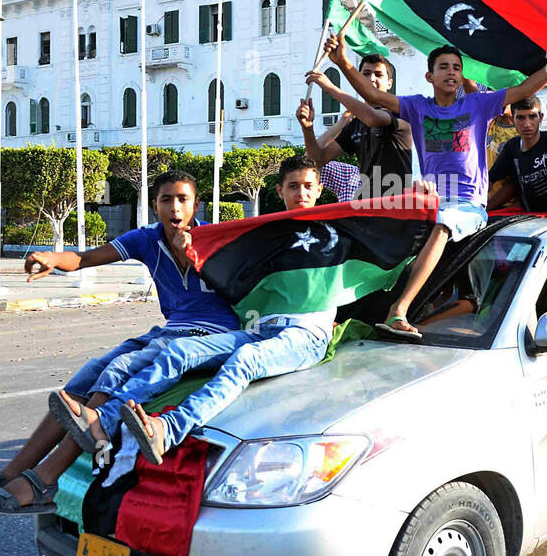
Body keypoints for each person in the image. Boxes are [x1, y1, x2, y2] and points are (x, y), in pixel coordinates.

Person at [0, 171, 239, 513]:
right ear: (155, 205)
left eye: (183, 199)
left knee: (123, 366)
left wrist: (197, 256)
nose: (175, 207)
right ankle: (8, 473)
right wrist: (51, 258)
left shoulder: (214, 239)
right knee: (92, 371)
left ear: (196, 205)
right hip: (171, 330)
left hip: (211, 334)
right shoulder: (146, 239)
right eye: (167, 199)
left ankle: (47, 476)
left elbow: (245, 285)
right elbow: (86, 258)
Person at [52, 155, 335, 468]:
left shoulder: (336, 229)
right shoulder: (264, 234)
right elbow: (239, 281)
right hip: (260, 327)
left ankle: (168, 429)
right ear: (280, 190)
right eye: (293, 186)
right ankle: (102, 420)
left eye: (308, 186)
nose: (301, 193)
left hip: (303, 332)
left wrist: (393, 308)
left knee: (244, 360)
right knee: (176, 351)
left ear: (320, 189)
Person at [330, 31, 547, 340]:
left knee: (443, 227)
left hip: (466, 204)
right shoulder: (417, 107)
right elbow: (375, 98)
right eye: (444, 67)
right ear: (429, 75)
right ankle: (343, 311)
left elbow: (526, 88)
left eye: (456, 67)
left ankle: (399, 310)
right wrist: (343, 61)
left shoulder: (478, 104)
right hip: (431, 200)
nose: (452, 72)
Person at [297, 53, 412, 199]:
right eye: (366, 74)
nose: (371, 78)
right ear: (358, 80)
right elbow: (316, 160)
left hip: (397, 204)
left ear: (389, 83)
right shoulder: (355, 124)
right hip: (367, 207)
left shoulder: (400, 111)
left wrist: (330, 88)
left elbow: (372, 117)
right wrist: (308, 128)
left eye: (378, 74)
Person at [487, 96, 547, 217]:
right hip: (527, 217)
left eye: (532, 116)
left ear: (540, 118)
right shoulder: (512, 147)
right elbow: (490, 180)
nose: (527, 124)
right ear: (513, 119)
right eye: (520, 118)